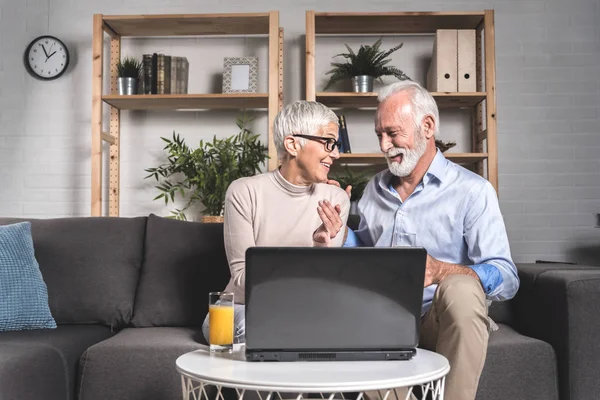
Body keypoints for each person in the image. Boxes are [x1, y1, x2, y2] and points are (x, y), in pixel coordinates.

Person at [342, 81, 519, 400]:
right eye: (379, 135)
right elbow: (365, 254)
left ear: (427, 126)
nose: (384, 145)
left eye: (393, 133)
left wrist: (442, 271)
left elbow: (506, 276)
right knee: (355, 303)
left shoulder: (472, 191)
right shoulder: (374, 190)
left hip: (443, 317)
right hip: (385, 318)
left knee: (460, 287)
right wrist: (340, 234)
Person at [202, 100, 351, 344]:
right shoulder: (244, 192)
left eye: (336, 145)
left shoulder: (335, 199)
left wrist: (321, 248)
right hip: (244, 308)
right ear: (293, 144)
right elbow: (242, 281)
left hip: (305, 311)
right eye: (328, 142)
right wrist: (306, 260)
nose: (336, 153)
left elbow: (323, 288)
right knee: (253, 326)